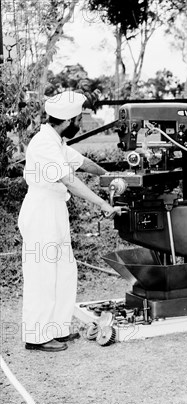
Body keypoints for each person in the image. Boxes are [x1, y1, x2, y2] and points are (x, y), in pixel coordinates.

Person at [18, 91, 123, 352]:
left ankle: (58, 329)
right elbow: (68, 180)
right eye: (79, 119)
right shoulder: (43, 144)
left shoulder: (56, 142)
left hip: (54, 210)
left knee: (64, 272)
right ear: (69, 121)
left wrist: (111, 176)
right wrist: (102, 203)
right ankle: (37, 336)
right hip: (41, 210)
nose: (80, 123)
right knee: (42, 274)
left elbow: (83, 163)